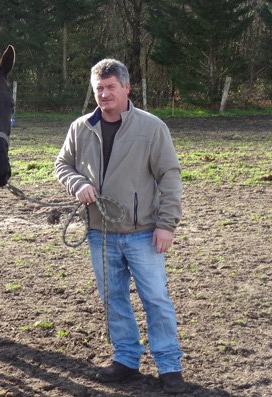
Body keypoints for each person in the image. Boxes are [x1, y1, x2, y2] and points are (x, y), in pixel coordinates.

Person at [54, 59, 185, 394]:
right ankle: (126, 357)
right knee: (113, 299)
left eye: (111, 87)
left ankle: (169, 364)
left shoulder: (152, 128)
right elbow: (62, 164)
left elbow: (169, 177)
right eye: (99, 88)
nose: (104, 93)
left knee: (155, 299)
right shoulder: (80, 128)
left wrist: (167, 224)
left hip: (144, 232)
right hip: (100, 233)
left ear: (127, 88)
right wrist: (77, 183)